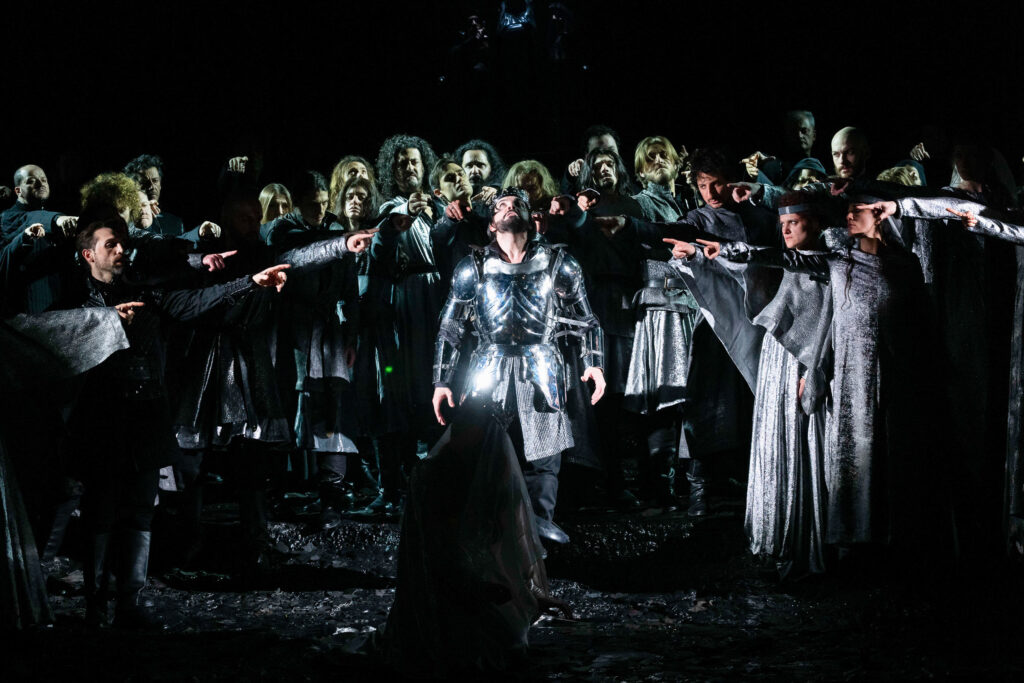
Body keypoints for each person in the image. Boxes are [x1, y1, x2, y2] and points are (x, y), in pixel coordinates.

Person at [65, 214, 290, 628]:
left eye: (122, 243)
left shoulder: (146, 294)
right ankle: (96, 607)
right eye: (110, 244)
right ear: (88, 254)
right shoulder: (75, 300)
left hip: (146, 416)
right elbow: (58, 338)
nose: (120, 250)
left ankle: (129, 603)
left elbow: (200, 300)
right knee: (101, 513)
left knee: (139, 512)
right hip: (102, 421)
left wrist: (251, 283)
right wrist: (105, 320)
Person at [666, 193, 831, 577]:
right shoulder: (781, 261)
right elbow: (742, 271)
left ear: (814, 224)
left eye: (794, 223)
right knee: (776, 441)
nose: (786, 230)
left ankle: (809, 535)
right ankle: (775, 533)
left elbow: (824, 323)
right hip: (776, 366)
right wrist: (700, 255)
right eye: (782, 223)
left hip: (804, 365)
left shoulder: (825, 264)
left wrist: (814, 372)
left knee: (804, 444)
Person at [430, 188, 606, 543]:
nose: (509, 208)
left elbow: (586, 319)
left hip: (541, 366)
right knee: (484, 452)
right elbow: (450, 325)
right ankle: (490, 534)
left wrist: (594, 364)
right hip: (488, 368)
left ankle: (538, 533)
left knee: (543, 456)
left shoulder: (558, 263)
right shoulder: (473, 266)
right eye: (501, 206)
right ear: (491, 223)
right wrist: (441, 381)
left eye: (517, 205)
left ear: (531, 218)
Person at [368, 134, 443, 513]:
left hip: (438, 296)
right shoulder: (390, 208)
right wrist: (405, 214)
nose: (409, 168)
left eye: (414, 161)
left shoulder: (439, 205)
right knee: (404, 386)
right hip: (407, 300)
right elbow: (382, 246)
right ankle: (395, 485)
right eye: (401, 163)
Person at [124, 154, 185, 237]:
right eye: (144, 182)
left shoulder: (175, 223)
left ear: (160, 184)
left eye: (155, 181)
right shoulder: (124, 221)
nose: (151, 187)